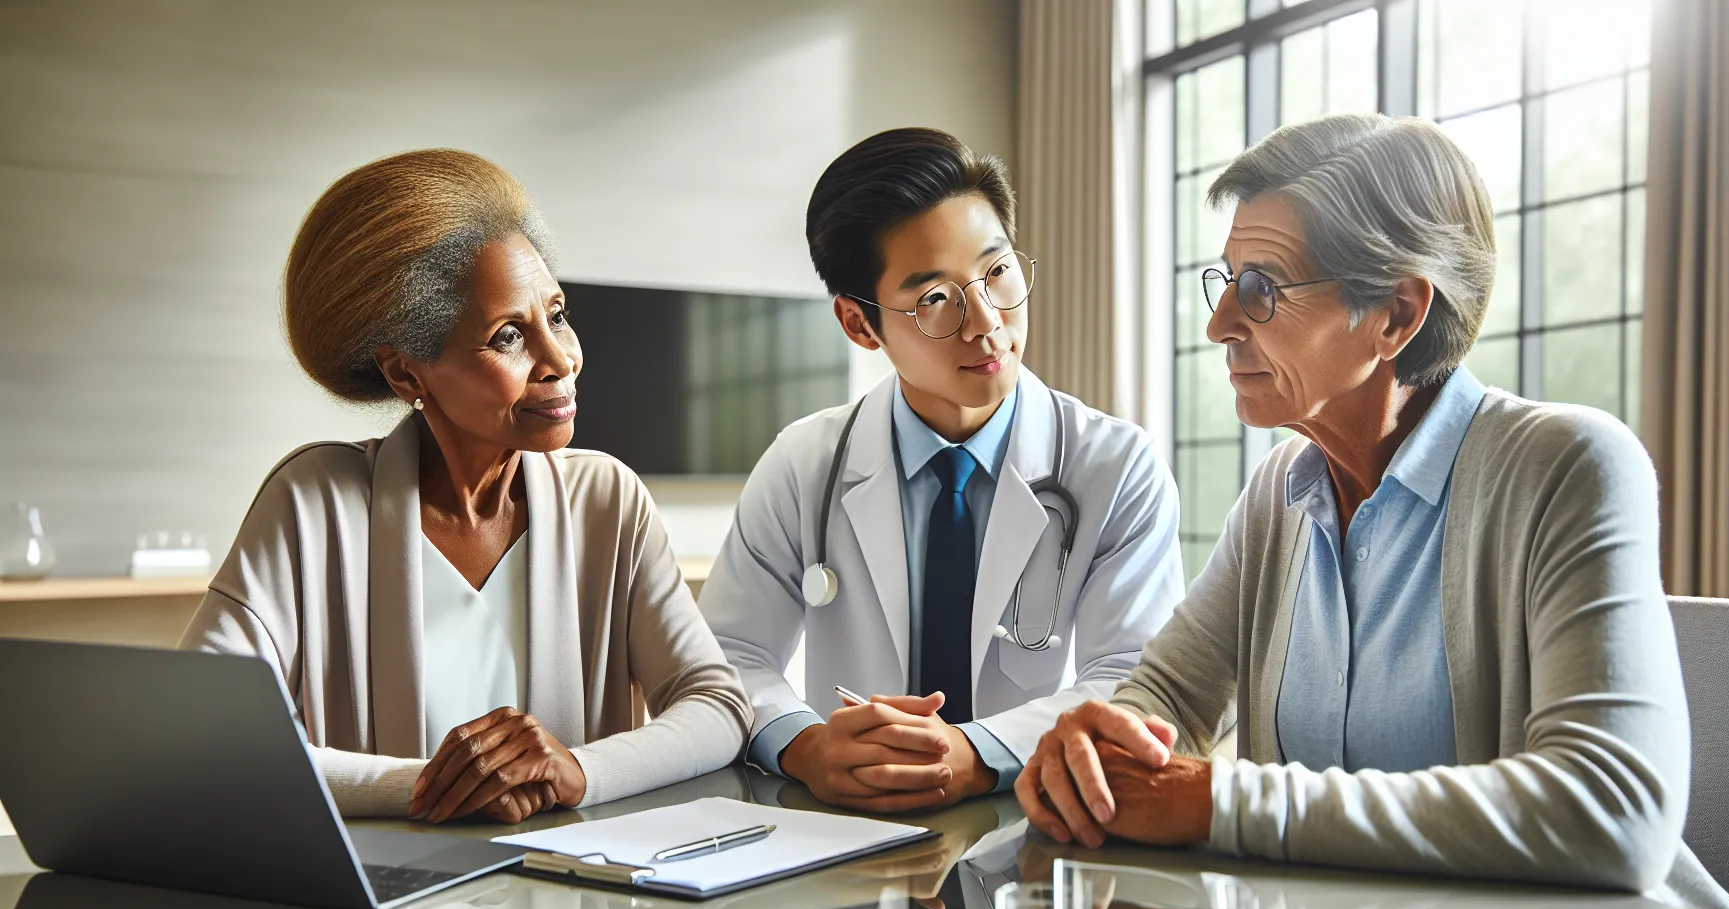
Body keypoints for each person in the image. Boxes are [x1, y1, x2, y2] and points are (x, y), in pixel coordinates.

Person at [1015, 114, 1729, 909]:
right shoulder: (1277, 495)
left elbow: (1610, 813)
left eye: (1262, 290)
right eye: (1227, 282)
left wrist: (1218, 802)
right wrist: (1099, 750)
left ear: (1397, 314)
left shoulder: (1569, 465)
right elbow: (1171, 696)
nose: (1220, 325)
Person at [181, 149, 751, 824]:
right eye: (508, 336)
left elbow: (718, 707)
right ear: (406, 374)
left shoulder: (608, 500)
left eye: (557, 315)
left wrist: (574, 771)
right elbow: (201, 735)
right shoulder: (312, 503)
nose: (561, 359)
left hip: (574, 891)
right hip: (379, 891)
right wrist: (433, 789)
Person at [698, 128, 1184, 813]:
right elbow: (727, 654)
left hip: (1037, 815)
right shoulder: (803, 464)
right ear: (859, 324)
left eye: (998, 271)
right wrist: (804, 746)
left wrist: (977, 752)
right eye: (933, 299)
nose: (985, 322)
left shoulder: (1116, 466)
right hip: (851, 826)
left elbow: (1134, 675)